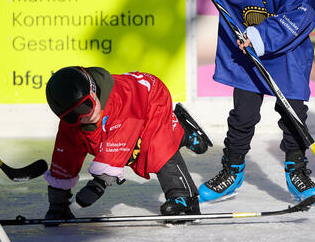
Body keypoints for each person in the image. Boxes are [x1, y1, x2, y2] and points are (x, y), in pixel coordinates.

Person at [167, 0, 315, 205]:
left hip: (287, 50)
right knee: (243, 114)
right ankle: (232, 169)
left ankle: (296, 169)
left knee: (293, 112)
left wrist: (262, 36)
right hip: (245, 49)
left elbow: (303, 16)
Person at [43, 66, 212, 222]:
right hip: (124, 118)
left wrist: (98, 185)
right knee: (115, 148)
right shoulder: (72, 123)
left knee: (154, 146)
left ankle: (184, 197)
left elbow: (117, 148)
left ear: (93, 90)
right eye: (71, 116)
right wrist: (58, 203)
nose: (82, 117)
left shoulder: (120, 102)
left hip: (150, 99)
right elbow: (65, 155)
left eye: (85, 106)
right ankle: (181, 130)